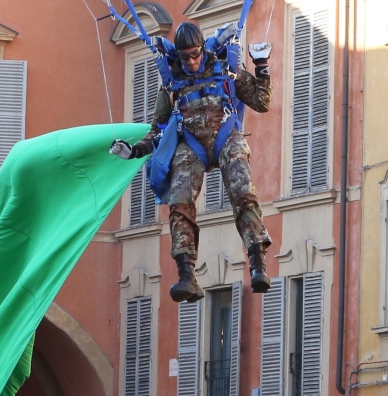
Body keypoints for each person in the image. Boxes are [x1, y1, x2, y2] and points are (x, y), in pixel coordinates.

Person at [110, 21, 274, 300]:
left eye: (195, 54)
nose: (191, 61)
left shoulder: (226, 70)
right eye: (185, 56)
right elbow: (158, 128)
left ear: (202, 49)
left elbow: (261, 101)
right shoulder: (173, 82)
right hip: (192, 145)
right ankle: (187, 275)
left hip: (225, 136)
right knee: (180, 201)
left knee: (242, 191)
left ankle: (257, 261)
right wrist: (135, 151)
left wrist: (262, 67)